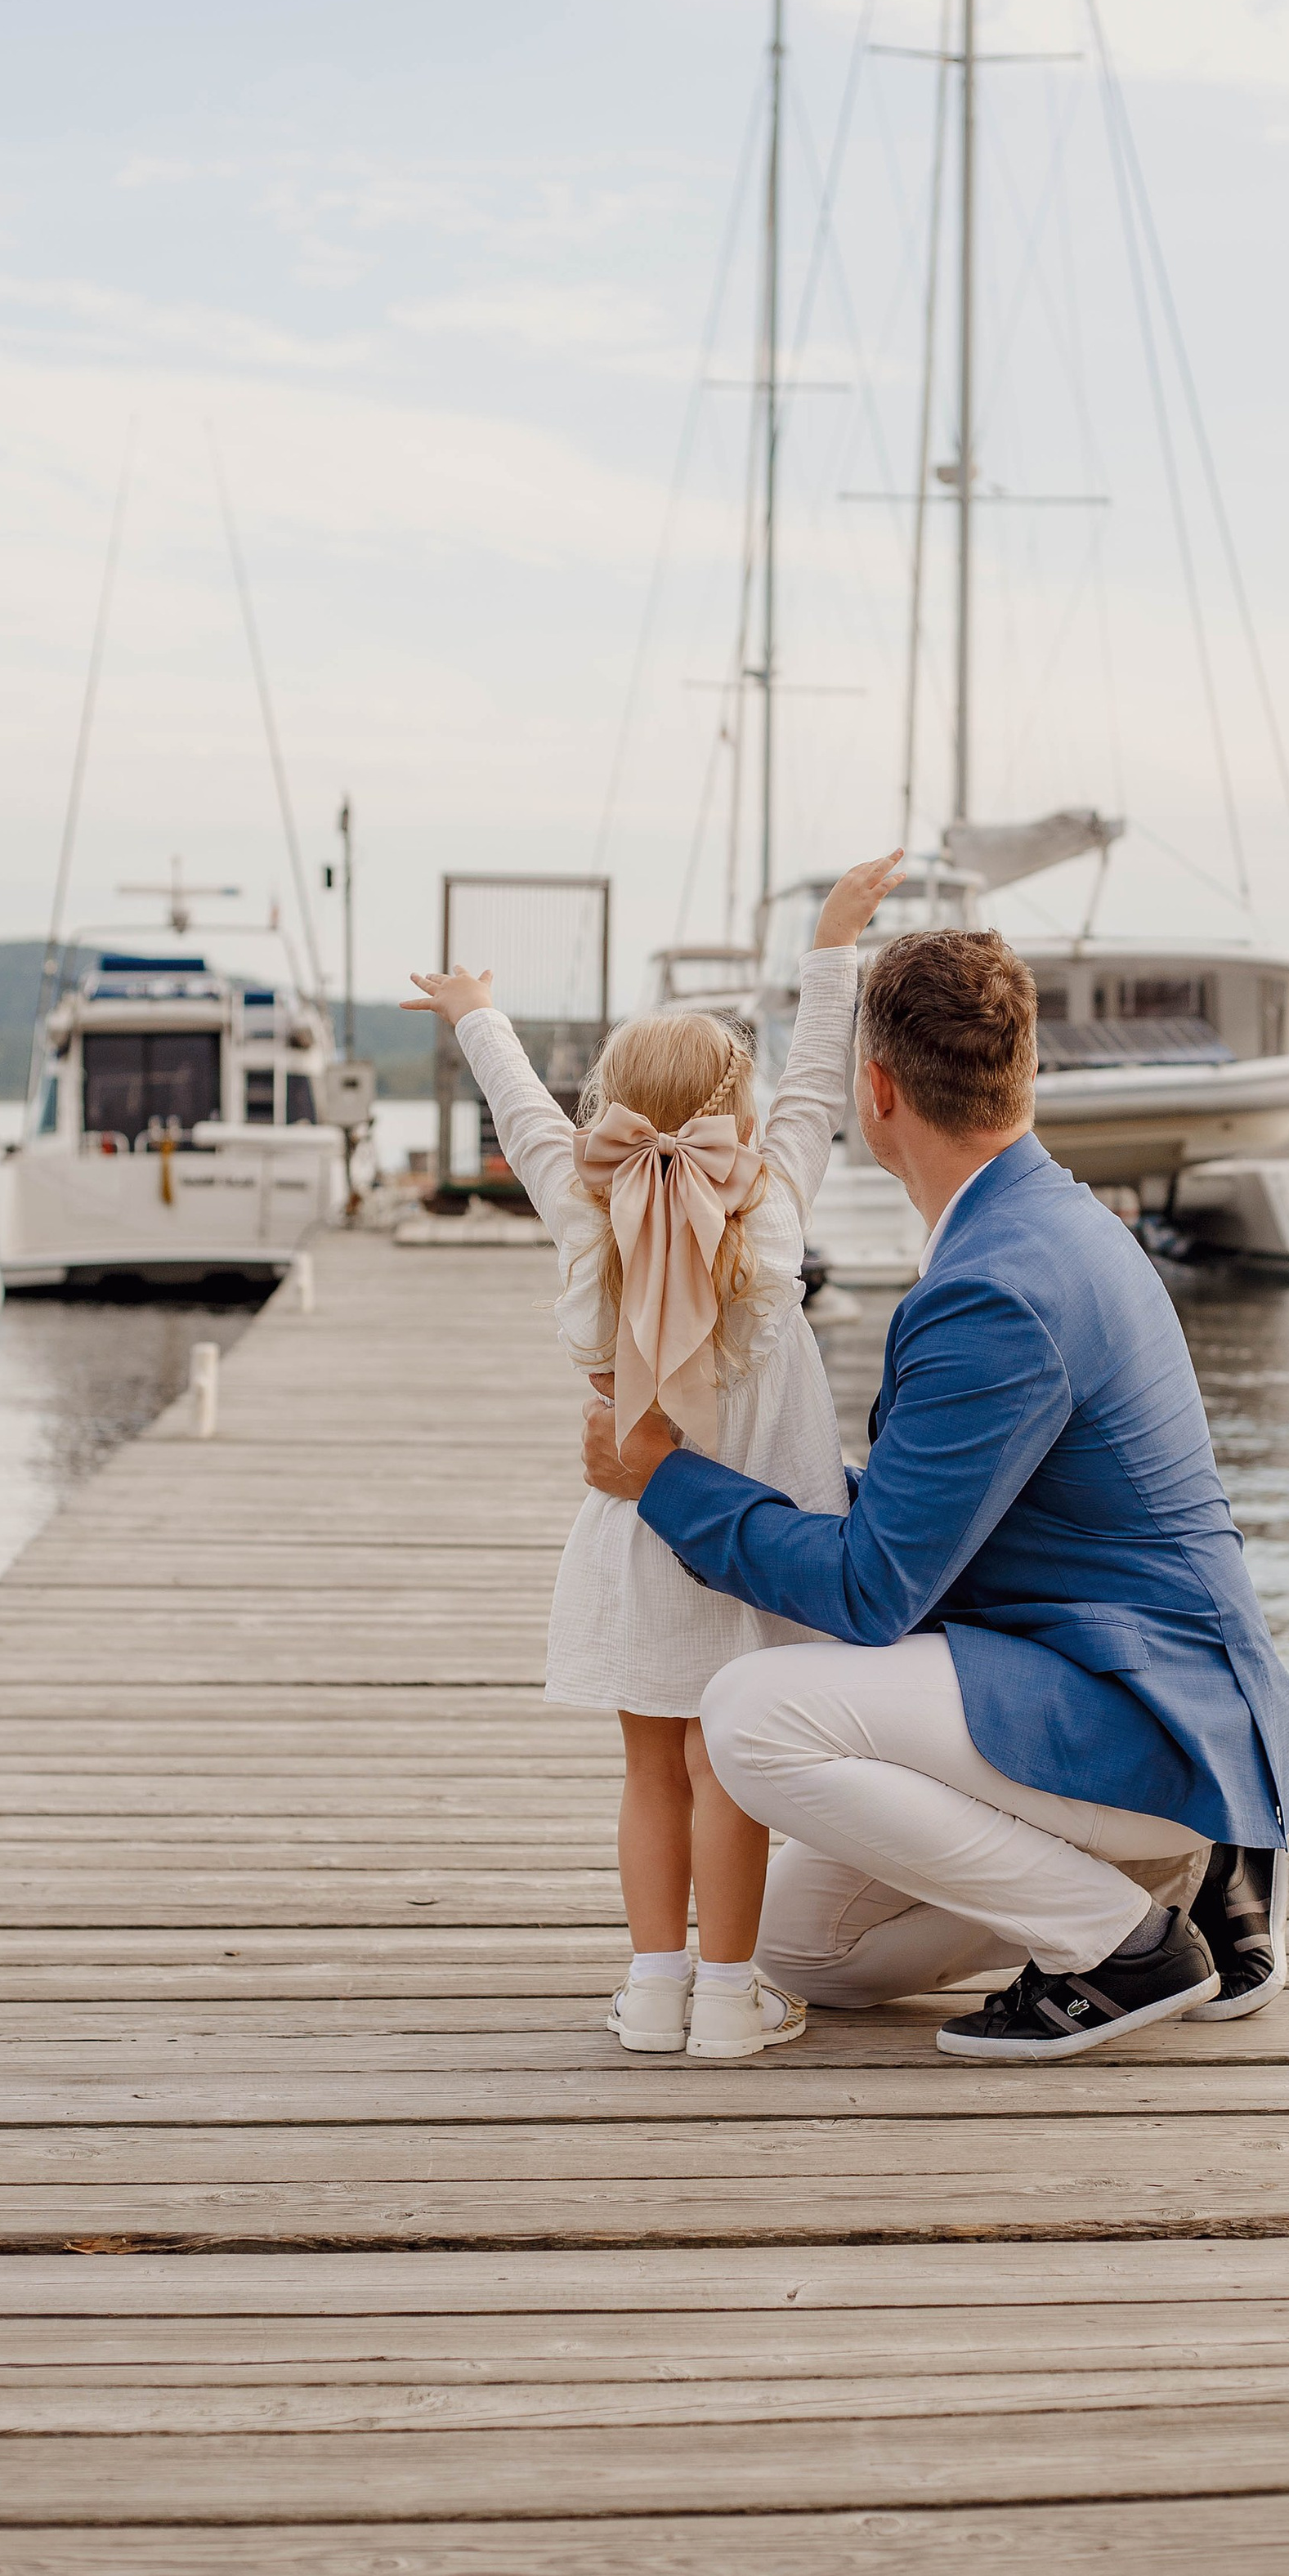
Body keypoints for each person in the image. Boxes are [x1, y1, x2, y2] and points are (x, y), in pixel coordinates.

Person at [581, 925, 1289, 2061]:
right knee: (801, 1955)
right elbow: (938, 1510)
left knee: (746, 1712)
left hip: (1143, 1710)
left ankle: (1124, 1943)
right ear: (1022, 1073)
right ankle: (1179, 1865)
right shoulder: (1052, 1222)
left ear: (875, 1094)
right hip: (1117, 1684)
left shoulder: (994, 1287)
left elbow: (872, 1590)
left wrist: (668, 1484)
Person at [403, 850, 907, 2062]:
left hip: (637, 1542)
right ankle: (731, 2000)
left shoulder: (587, 1222)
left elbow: (526, 1119)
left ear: (611, 1117)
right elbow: (819, 1079)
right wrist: (833, 937)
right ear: (738, 1118)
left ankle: (652, 1989)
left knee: (648, 1773)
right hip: (756, 1547)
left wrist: (477, 1013)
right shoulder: (773, 1203)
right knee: (724, 1770)